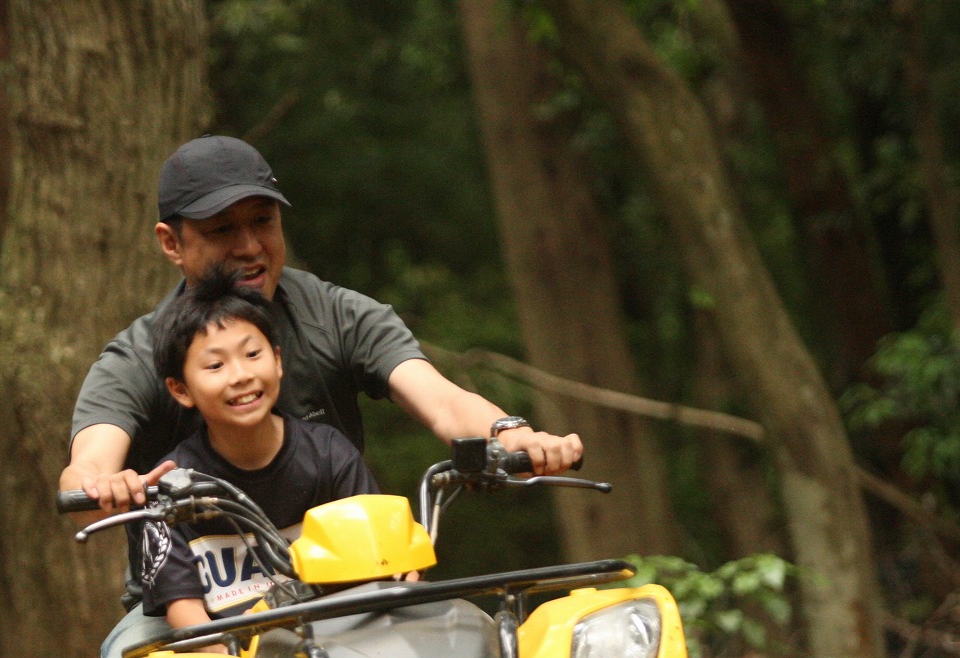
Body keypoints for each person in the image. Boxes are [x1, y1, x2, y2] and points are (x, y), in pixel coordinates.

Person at [59, 134, 583, 517]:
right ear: (171, 243)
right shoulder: (139, 355)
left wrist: (512, 435)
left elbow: (442, 401)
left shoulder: (337, 315)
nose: (249, 247)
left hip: (345, 577)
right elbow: (87, 466)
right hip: (189, 603)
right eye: (221, 230)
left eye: (262, 221)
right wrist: (102, 484)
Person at [99, 266, 381, 658]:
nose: (241, 375)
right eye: (215, 366)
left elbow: (376, 559)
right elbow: (184, 610)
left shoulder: (329, 453)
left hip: (335, 642)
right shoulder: (171, 486)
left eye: (252, 354)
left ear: (277, 360)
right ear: (180, 389)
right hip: (228, 652)